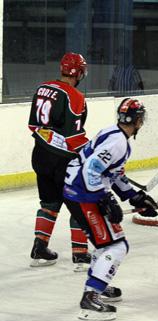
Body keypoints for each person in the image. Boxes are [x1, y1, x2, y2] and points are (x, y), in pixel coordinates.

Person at [63, 98, 158, 320]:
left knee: (104, 243)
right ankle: (91, 297)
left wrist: (135, 197)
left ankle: (99, 282)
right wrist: (106, 201)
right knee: (117, 246)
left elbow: (111, 173)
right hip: (84, 195)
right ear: (137, 120)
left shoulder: (112, 133)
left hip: (77, 192)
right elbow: (91, 170)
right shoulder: (118, 143)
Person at [27, 52, 91, 271]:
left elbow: (33, 125)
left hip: (40, 155)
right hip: (62, 161)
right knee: (80, 203)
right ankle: (81, 256)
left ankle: (39, 249)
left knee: (49, 204)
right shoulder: (75, 96)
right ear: (79, 72)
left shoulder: (42, 88)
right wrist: (92, 151)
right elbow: (73, 137)